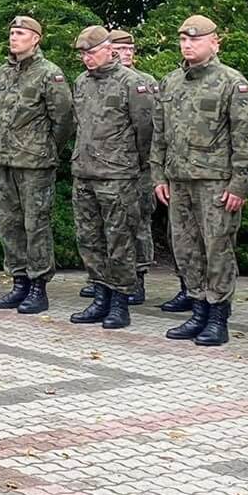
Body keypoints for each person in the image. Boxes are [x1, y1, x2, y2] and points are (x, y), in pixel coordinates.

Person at [151, 15, 248, 347]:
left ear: (215, 42)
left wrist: (239, 184)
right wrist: (158, 175)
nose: (188, 45)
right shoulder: (170, 82)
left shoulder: (232, 83)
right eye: (183, 40)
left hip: (215, 182)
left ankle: (218, 316)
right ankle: (197, 309)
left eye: (195, 40)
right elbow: (159, 134)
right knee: (186, 248)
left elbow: (246, 139)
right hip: (179, 180)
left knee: (217, 249)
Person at [68, 26, 154, 330]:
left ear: (109, 50)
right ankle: (100, 295)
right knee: (90, 239)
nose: (87, 58)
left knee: (120, 240)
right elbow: (78, 123)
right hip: (85, 172)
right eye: (83, 54)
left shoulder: (132, 83)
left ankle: (120, 301)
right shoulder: (81, 82)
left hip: (118, 175)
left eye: (91, 52)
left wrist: (134, 164)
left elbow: (146, 130)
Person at [0, 15, 75, 315]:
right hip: (5, 159)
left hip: (35, 162)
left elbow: (64, 119)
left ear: (36, 39)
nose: (14, 37)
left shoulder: (49, 73)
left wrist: (47, 148)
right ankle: (19, 281)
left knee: (35, 224)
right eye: (12, 32)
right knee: (9, 224)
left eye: (21, 33)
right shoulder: (3, 73)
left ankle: (38, 286)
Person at [108, 28, 161, 305]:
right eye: (120, 49)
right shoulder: (100, 80)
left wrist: (142, 161)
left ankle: (138, 277)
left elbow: (148, 128)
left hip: (139, 165)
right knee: (111, 224)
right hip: (109, 166)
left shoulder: (145, 82)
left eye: (130, 49)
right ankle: (109, 278)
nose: (126, 53)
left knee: (138, 220)